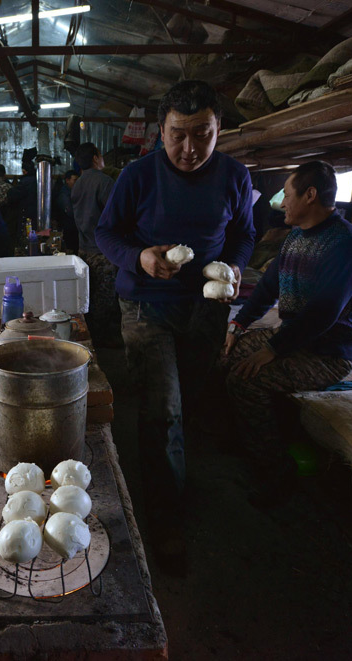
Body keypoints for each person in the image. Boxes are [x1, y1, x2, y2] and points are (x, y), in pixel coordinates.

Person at [95, 80, 255, 568]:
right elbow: (106, 233)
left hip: (205, 309)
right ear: (159, 131)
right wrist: (139, 256)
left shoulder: (235, 176)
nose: (189, 149)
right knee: (162, 409)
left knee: (188, 401)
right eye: (177, 135)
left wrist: (236, 268)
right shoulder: (138, 175)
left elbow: (244, 234)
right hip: (148, 306)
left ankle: (174, 480)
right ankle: (164, 519)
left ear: (218, 128)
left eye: (202, 134)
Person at [223, 161, 352, 504]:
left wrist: (272, 349)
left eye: (287, 195)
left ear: (310, 195)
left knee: (246, 380)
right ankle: (243, 439)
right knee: (224, 354)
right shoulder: (295, 237)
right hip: (293, 338)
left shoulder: (347, 243)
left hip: (327, 353)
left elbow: (324, 312)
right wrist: (239, 324)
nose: (281, 203)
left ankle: (277, 475)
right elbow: (267, 288)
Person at [70, 142, 119, 346]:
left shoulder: (77, 184)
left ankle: (92, 338)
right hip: (103, 252)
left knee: (89, 295)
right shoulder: (105, 182)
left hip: (84, 251)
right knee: (106, 300)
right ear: (95, 158)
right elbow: (116, 216)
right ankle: (102, 343)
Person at [53, 169, 80, 253]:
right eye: (74, 180)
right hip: (69, 229)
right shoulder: (64, 194)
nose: (77, 182)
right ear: (67, 180)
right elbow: (69, 211)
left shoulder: (73, 191)